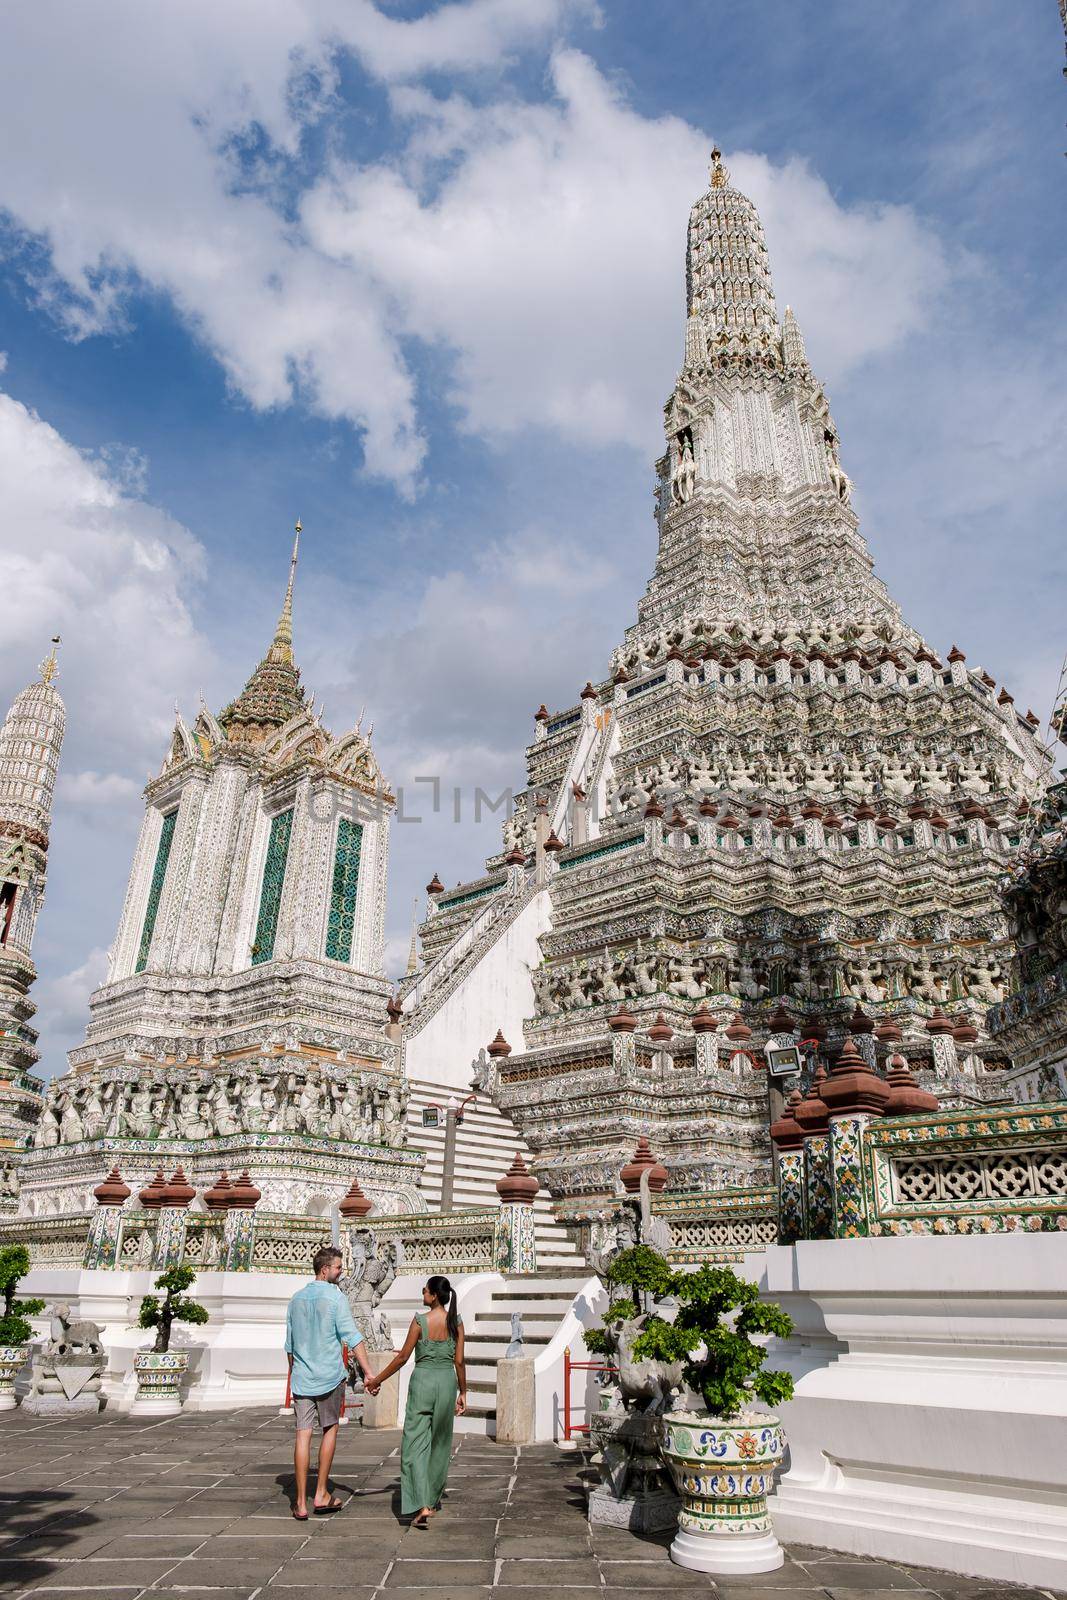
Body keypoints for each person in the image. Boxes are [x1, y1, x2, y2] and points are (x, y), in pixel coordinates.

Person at [365, 1274, 466, 1529]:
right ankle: (430, 1502)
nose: (422, 1294)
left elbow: (402, 1358)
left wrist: (377, 1379)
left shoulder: (420, 1321)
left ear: (432, 1295)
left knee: (413, 1446)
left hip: (423, 1382)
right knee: (440, 1444)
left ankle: (420, 1503)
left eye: (425, 1290)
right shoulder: (456, 1321)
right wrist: (463, 1392)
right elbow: (459, 1361)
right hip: (446, 1382)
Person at [285, 1244, 376, 1521]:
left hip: (302, 1377)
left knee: (302, 1435)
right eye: (338, 1267)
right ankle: (321, 1493)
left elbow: (289, 1347)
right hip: (329, 1376)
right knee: (329, 1429)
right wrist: (369, 1372)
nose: (341, 1271)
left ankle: (300, 1502)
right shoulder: (336, 1299)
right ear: (325, 1270)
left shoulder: (296, 1299)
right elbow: (353, 1336)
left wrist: (297, 1372)